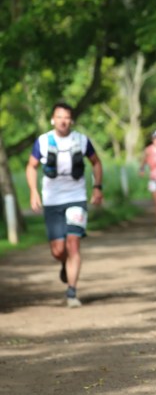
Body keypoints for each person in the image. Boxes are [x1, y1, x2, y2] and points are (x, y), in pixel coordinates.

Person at [25, 102, 104, 308]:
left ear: (71, 120)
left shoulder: (81, 140)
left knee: (73, 243)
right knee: (58, 250)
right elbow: (31, 167)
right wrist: (33, 191)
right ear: (53, 119)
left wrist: (97, 187)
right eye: (59, 117)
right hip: (52, 200)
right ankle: (64, 263)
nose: (63, 120)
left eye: (67, 117)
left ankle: (71, 292)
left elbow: (96, 162)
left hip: (76, 197)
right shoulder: (43, 141)